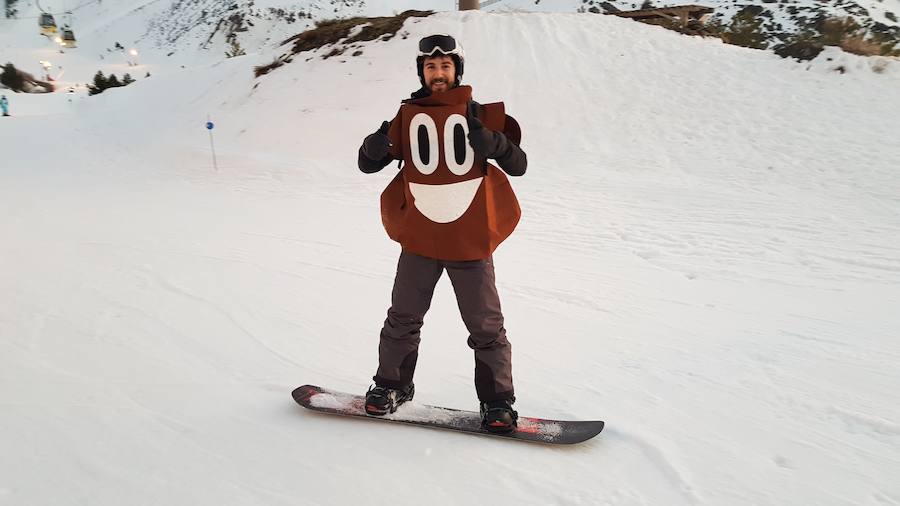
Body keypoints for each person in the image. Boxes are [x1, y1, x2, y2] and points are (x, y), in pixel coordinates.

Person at [357, 34, 528, 432]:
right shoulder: (407, 116)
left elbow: (519, 165)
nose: (438, 73)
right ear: (422, 72)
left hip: (470, 240)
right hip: (420, 238)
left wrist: (496, 144)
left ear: (457, 70)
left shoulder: (481, 114)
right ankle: (391, 387)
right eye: (431, 67)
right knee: (402, 317)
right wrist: (372, 148)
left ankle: (498, 402)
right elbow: (368, 165)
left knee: (486, 325)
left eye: (445, 66)